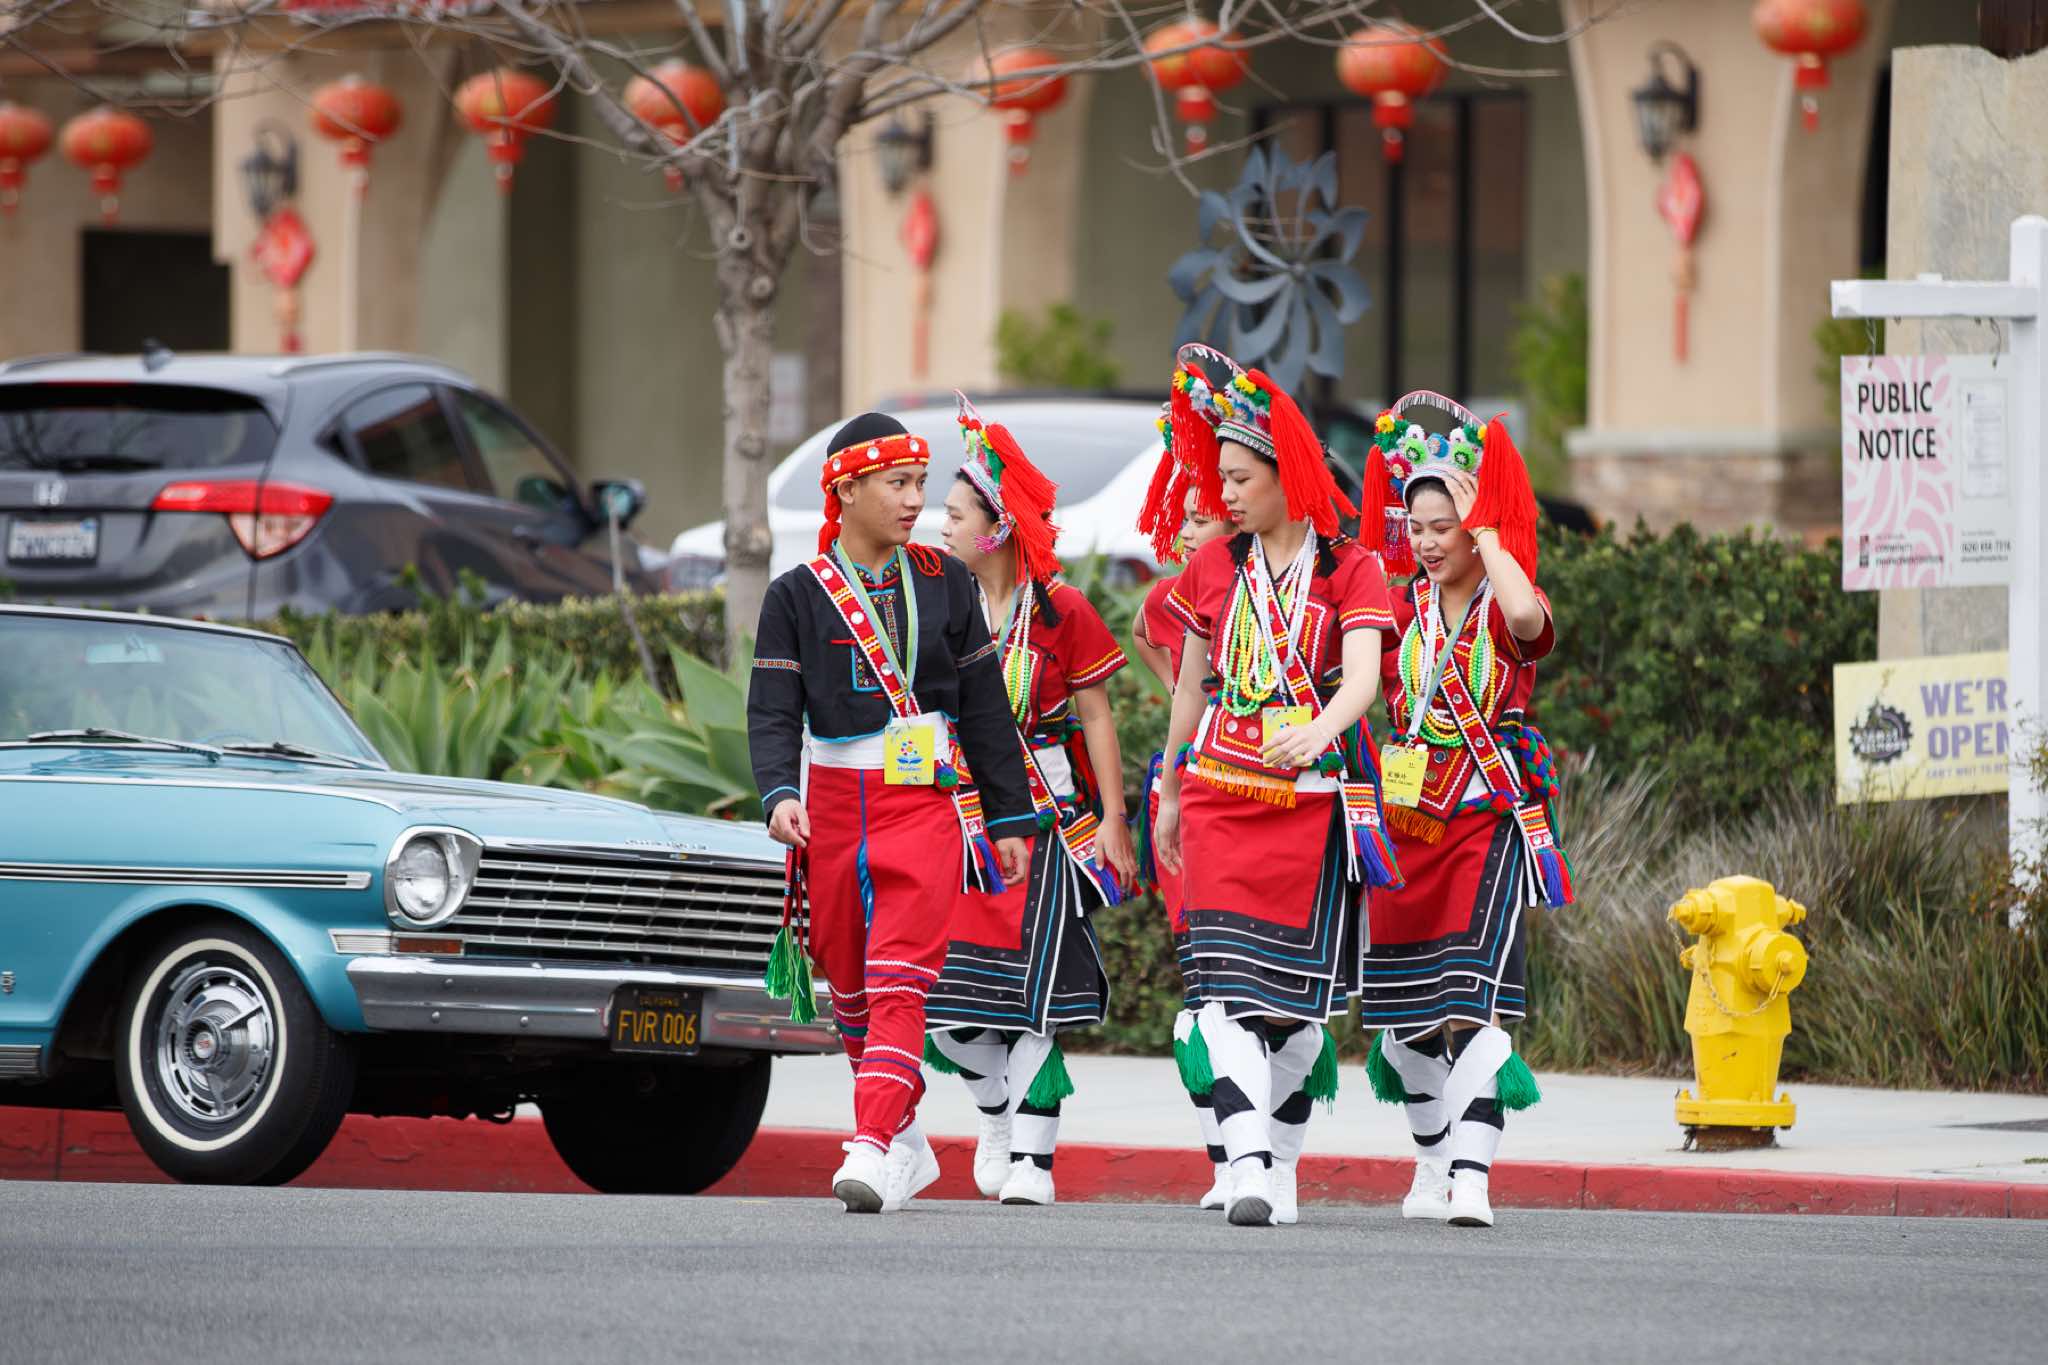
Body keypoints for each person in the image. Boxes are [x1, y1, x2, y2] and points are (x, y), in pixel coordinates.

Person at [747, 412, 1036, 1214]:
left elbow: (985, 708)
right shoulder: (795, 594)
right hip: (833, 807)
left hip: (924, 804)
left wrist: (1009, 819)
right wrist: (780, 793)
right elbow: (772, 709)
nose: (915, 501)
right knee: (848, 982)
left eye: (920, 484)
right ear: (845, 490)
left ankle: (872, 1144)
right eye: (897, 484)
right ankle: (907, 1138)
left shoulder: (946, 581)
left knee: (899, 977)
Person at [1148, 344, 1403, 1227]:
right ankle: (1249, 1162)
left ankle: (1279, 1161)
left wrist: (1322, 730)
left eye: (1240, 478)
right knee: (1222, 993)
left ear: (1286, 476)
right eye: (1220, 477)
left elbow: (1363, 679)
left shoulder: (1350, 567)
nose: (1223, 494)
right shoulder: (1213, 565)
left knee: (1294, 1014)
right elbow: (1189, 688)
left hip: (1311, 801)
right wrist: (1170, 791)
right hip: (1219, 789)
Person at [1355, 398, 1574, 1230]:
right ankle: (1431, 1159)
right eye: (1416, 526)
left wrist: (1490, 534)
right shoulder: (1397, 608)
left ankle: (1474, 1177)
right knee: (1406, 1013)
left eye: (1444, 525)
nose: (1428, 540)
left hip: (1485, 817)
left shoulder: (1504, 600)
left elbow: (1525, 618)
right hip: (1407, 822)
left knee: (1473, 999)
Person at [924, 395, 1138, 1207]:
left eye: (955, 514)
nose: (942, 526)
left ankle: (1033, 1165)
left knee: (1032, 1002)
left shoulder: (1062, 610)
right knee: (949, 1006)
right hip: (960, 824)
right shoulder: (940, 606)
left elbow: (1096, 716)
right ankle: (996, 1115)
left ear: (997, 527)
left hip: (1046, 825)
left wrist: (1115, 817)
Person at [1130, 477, 1235, 1210]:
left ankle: (1264, 1149)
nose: (1188, 531)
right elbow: (1146, 636)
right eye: (1187, 518)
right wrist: (1183, 695)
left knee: (1255, 991)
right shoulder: (1170, 598)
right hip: (1188, 789)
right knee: (1199, 986)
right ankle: (1225, 1154)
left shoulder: (1274, 589)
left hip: (1258, 794)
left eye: (1203, 518)